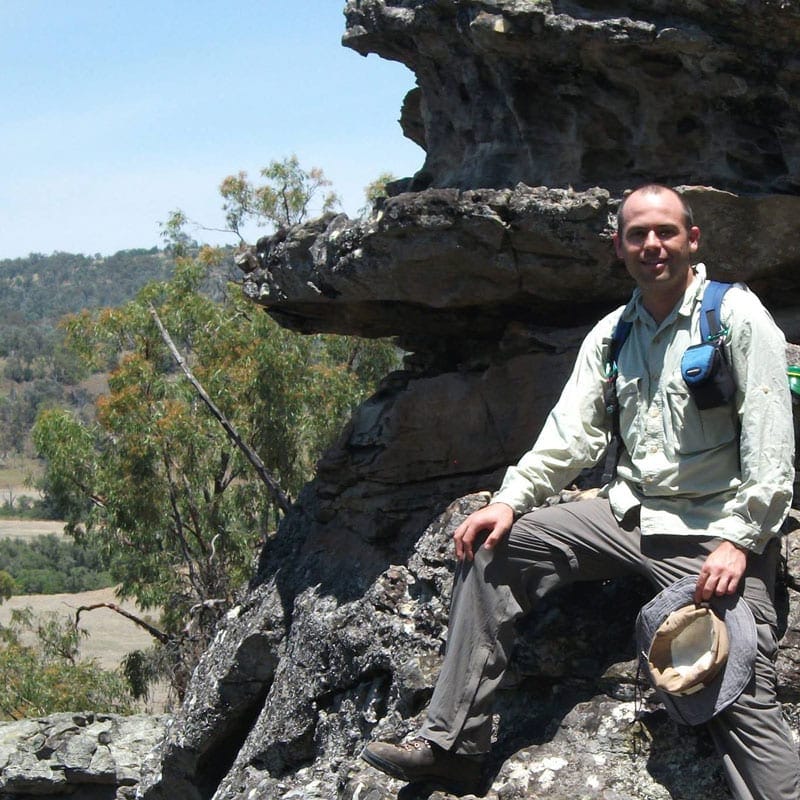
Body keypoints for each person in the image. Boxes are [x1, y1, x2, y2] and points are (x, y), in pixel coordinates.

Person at [361, 184, 800, 799]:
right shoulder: (613, 334)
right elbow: (569, 437)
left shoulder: (735, 317)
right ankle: (453, 747)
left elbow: (772, 447)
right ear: (618, 247)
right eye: (637, 234)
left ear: (692, 240)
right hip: (629, 516)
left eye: (666, 231)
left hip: (714, 531)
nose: (652, 245)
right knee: (493, 552)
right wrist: (508, 501)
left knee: (735, 682)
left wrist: (742, 541)